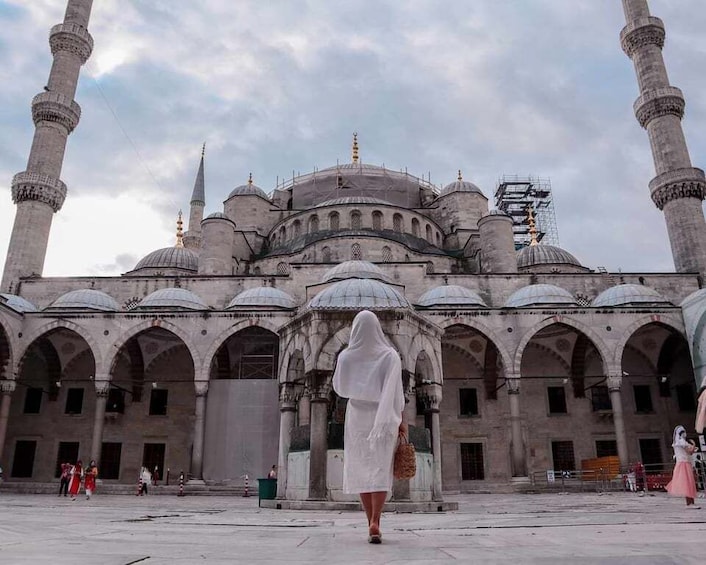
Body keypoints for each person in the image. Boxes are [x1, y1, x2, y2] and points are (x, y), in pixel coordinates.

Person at [332, 310, 406, 544]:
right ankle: (377, 519)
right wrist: (400, 420)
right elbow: (395, 392)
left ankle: (369, 523)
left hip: (357, 417)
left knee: (361, 468)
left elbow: (339, 388)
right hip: (383, 417)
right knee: (380, 468)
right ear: (377, 328)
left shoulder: (346, 356)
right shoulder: (390, 355)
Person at [665, 425, 700, 509]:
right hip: (684, 464)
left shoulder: (677, 443)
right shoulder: (681, 442)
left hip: (683, 463)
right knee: (688, 483)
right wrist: (694, 444)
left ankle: (691, 502)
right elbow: (690, 451)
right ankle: (690, 503)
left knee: (688, 483)